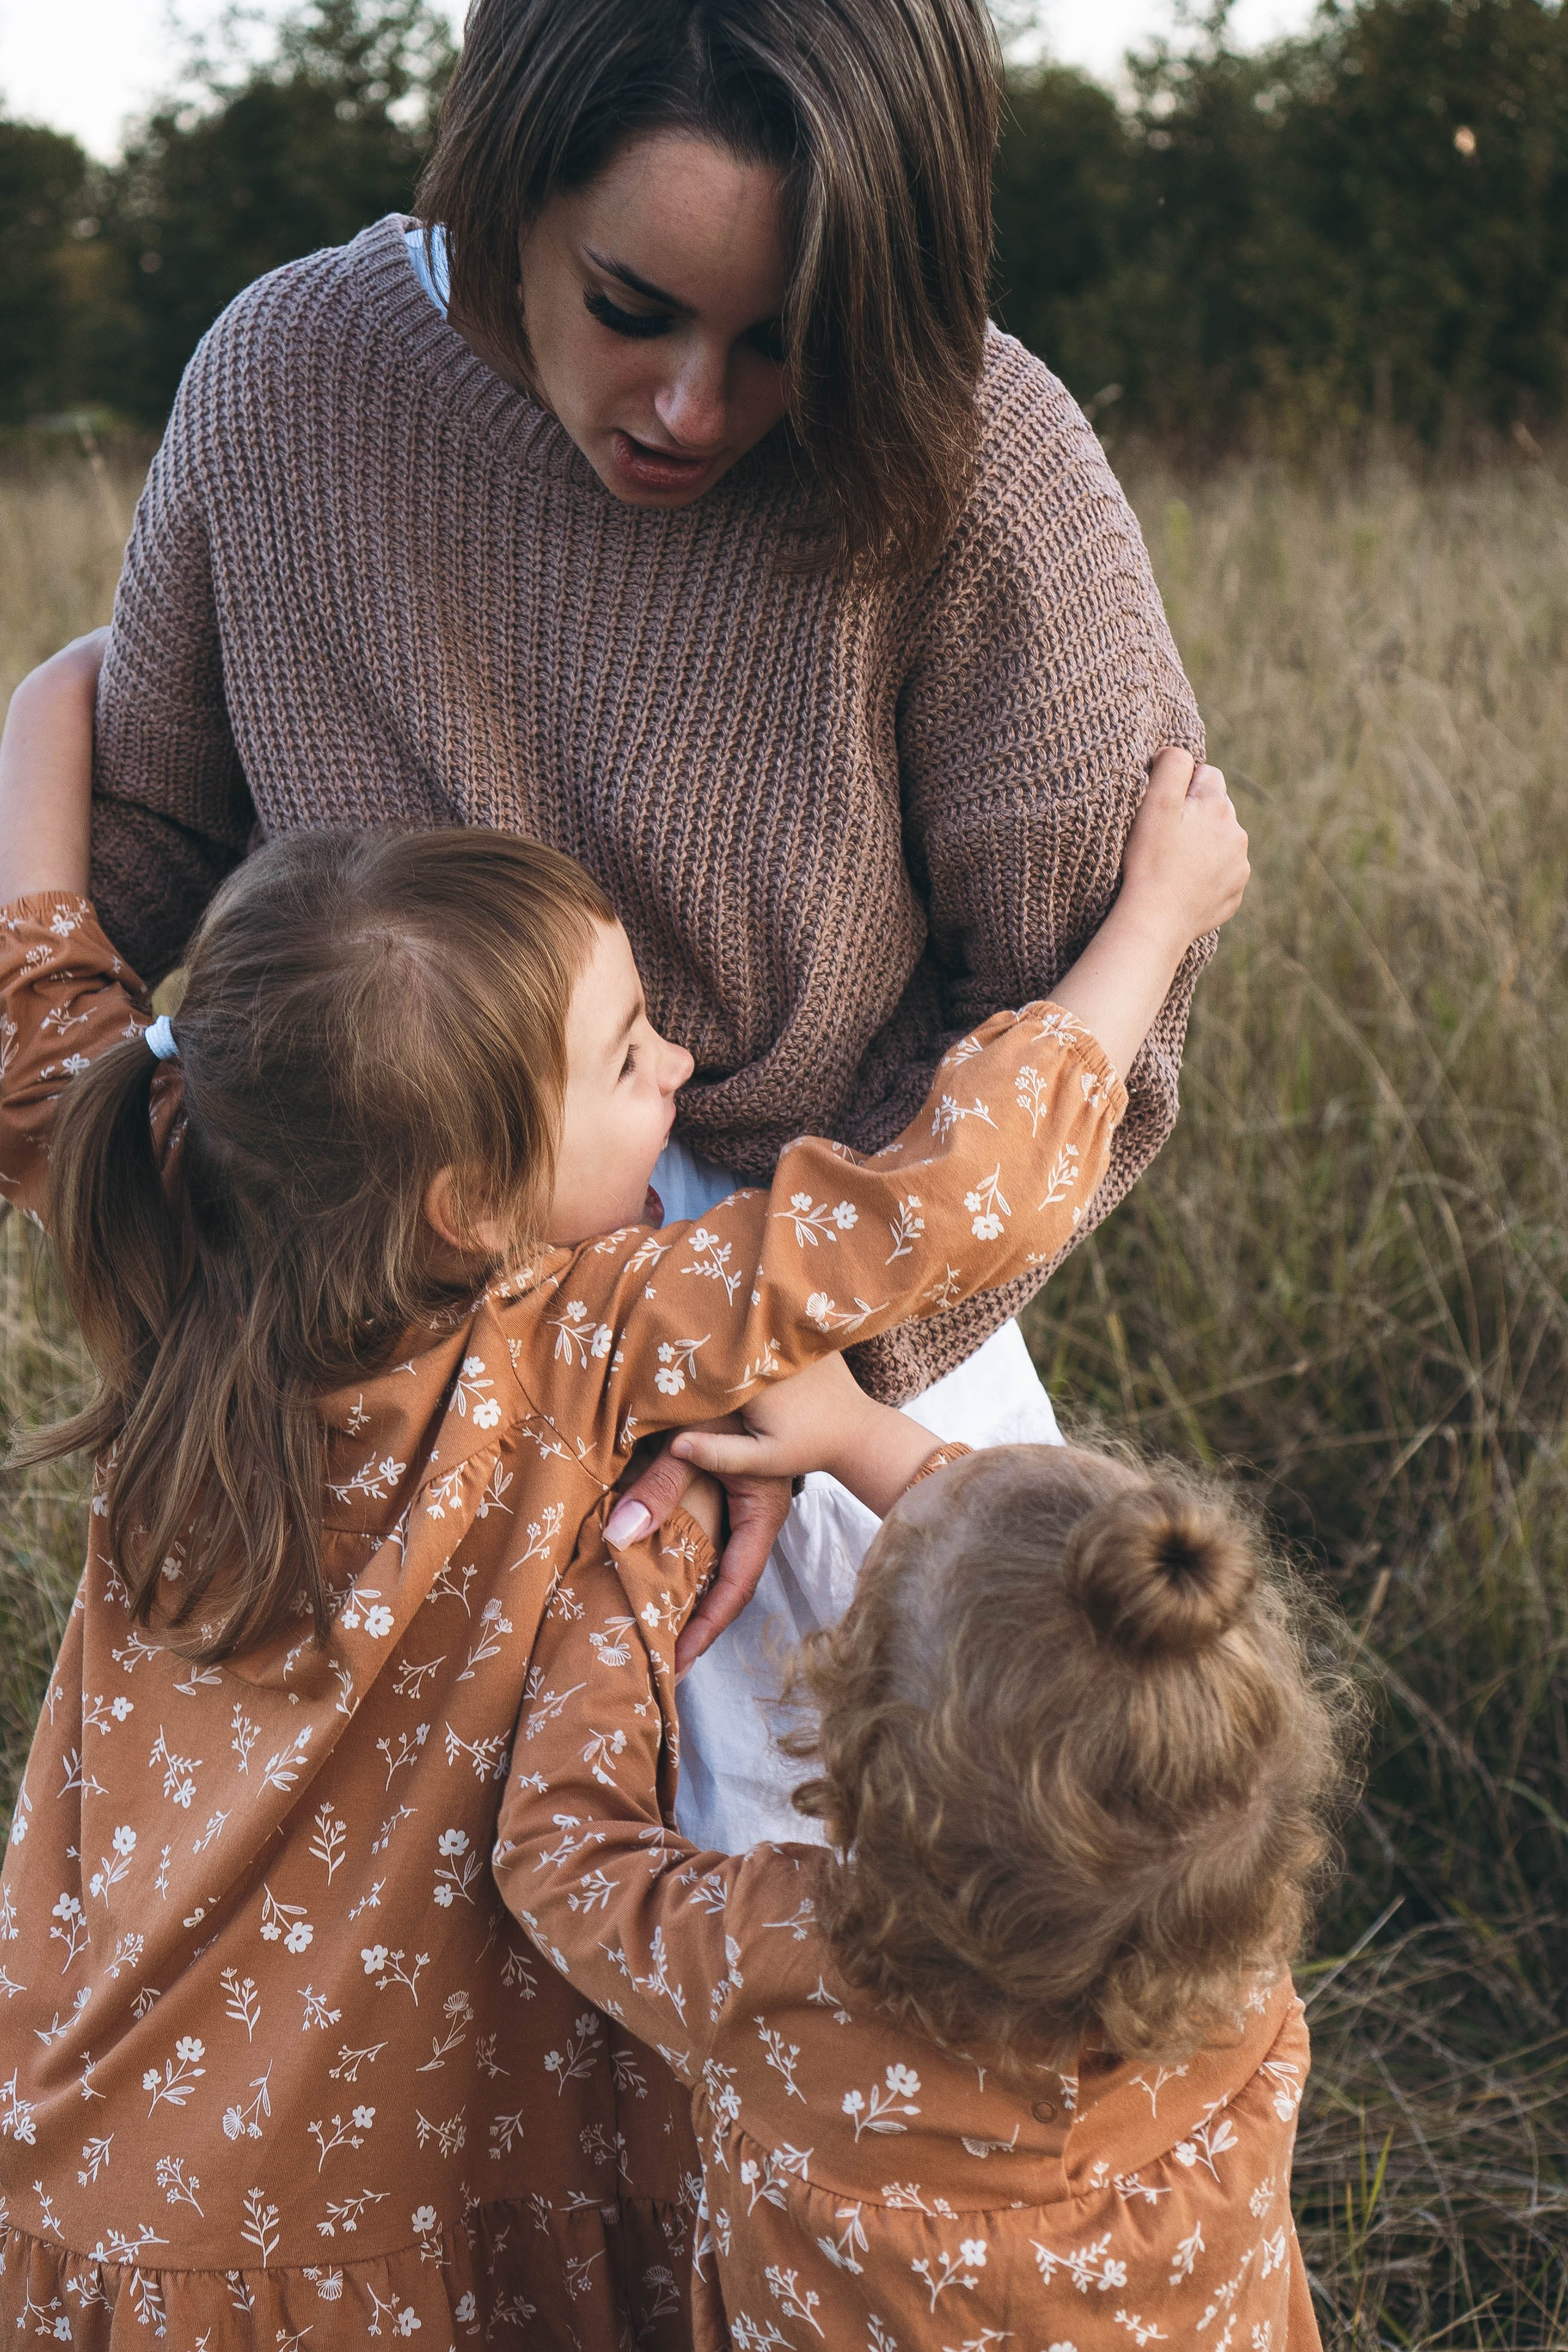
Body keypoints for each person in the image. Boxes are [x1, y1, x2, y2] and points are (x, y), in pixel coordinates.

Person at [0, 639, 1245, 2341]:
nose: (679, 1075)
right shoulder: (577, 1334)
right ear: (465, 1204)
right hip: (383, 2185)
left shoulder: (169, 1201)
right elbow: (933, 1208)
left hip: (112, 2134)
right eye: (628, 1055)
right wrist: (1159, 921)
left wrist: (54, 707)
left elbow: (44, 1017)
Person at [88, 0, 1214, 1850]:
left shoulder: (981, 449)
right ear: (509, 178)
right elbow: (149, 830)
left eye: (784, 346)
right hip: (372, 1339)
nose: (696, 408)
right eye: (632, 308)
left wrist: (813, 1388)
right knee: (397, 1992)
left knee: (827, 1976)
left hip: (828, 1309)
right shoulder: (290, 374)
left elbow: (1079, 1025)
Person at [496, 1373, 1360, 2350]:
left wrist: (658, 1546)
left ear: (860, 1765)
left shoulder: (781, 1968)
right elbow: (1054, 1628)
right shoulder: (1227, 1956)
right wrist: (859, 1431)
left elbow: (563, 1849)